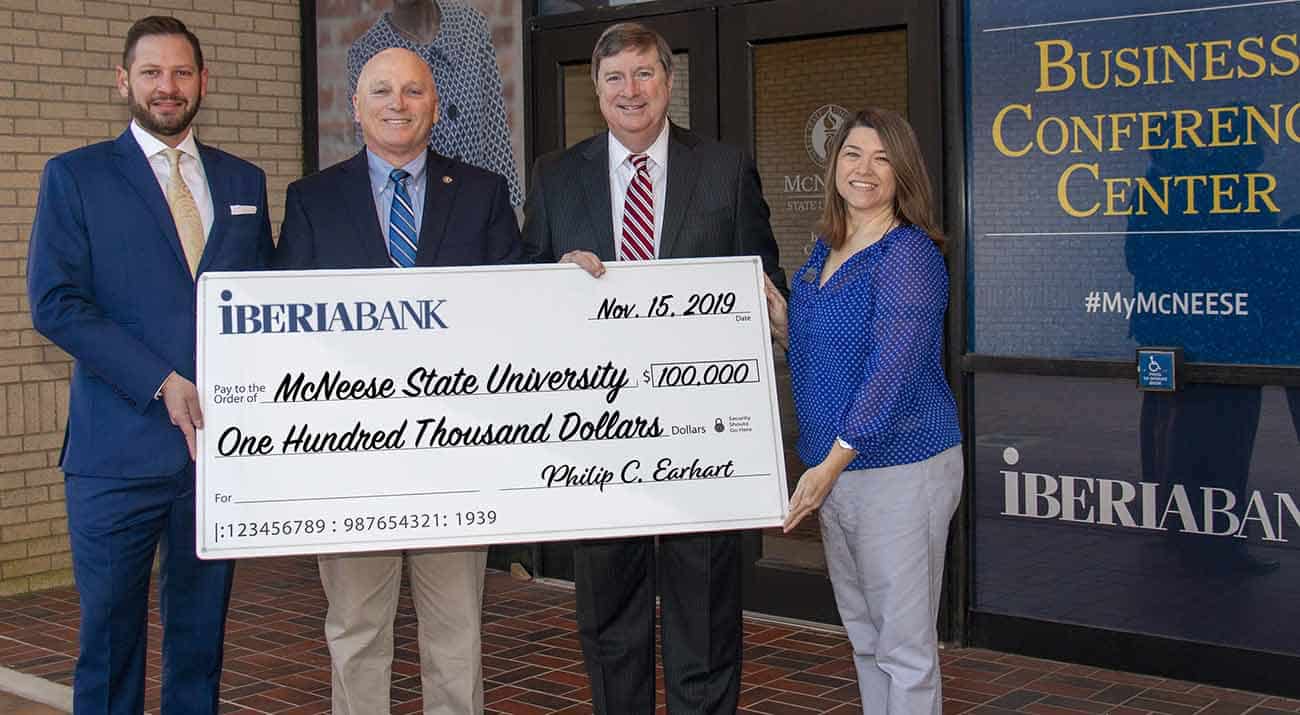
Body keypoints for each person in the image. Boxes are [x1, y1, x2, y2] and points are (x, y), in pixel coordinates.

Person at [522, 21, 786, 715]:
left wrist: (765, 303)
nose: (630, 90)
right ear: (596, 89)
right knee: (612, 625)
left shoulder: (726, 170)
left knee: (704, 621)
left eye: (644, 74)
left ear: (669, 83)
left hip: (701, 444)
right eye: (615, 77)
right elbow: (520, 293)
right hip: (600, 440)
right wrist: (551, 279)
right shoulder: (556, 175)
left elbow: (764, 280)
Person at [26, 16, 274, 714]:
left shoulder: (242, 180)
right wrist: (159, 380)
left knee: (200, 643)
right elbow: (55, 303)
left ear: (203, 81)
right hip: (114, 456)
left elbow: (268, 303)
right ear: (123, 81)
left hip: (214, 459)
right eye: (151, 73)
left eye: (181, 73)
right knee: (110, 643)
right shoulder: (75, 177)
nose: (168, 87)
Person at [275, 47, 521, 715]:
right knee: (355, 629)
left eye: (413, 91)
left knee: (456, 631)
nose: (398, 103)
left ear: (435, 108)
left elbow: (519, 313)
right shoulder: (311, 200)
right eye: (381, 90)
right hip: (351, 459)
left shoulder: (482, 193)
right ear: (355, 108)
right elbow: (285, 337)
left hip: (454, 454)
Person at [764, 107, 962, 715]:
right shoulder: (825, 250)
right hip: (841, 471)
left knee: (904, 650)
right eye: (853, 154)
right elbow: (828, 350)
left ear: (903, 173)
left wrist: (826, 469)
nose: (865, 169)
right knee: (866, 640)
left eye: (882, 158)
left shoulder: (908, 255)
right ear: (835, 166)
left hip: (901, 469)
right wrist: (779, 320)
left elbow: (893, 372)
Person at [347, 0, 522, 206]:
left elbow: (495, 128)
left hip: (480, 210)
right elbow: (374, 155)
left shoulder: (469, 26)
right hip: (417, 211)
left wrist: (503, 209)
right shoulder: (367, 50)